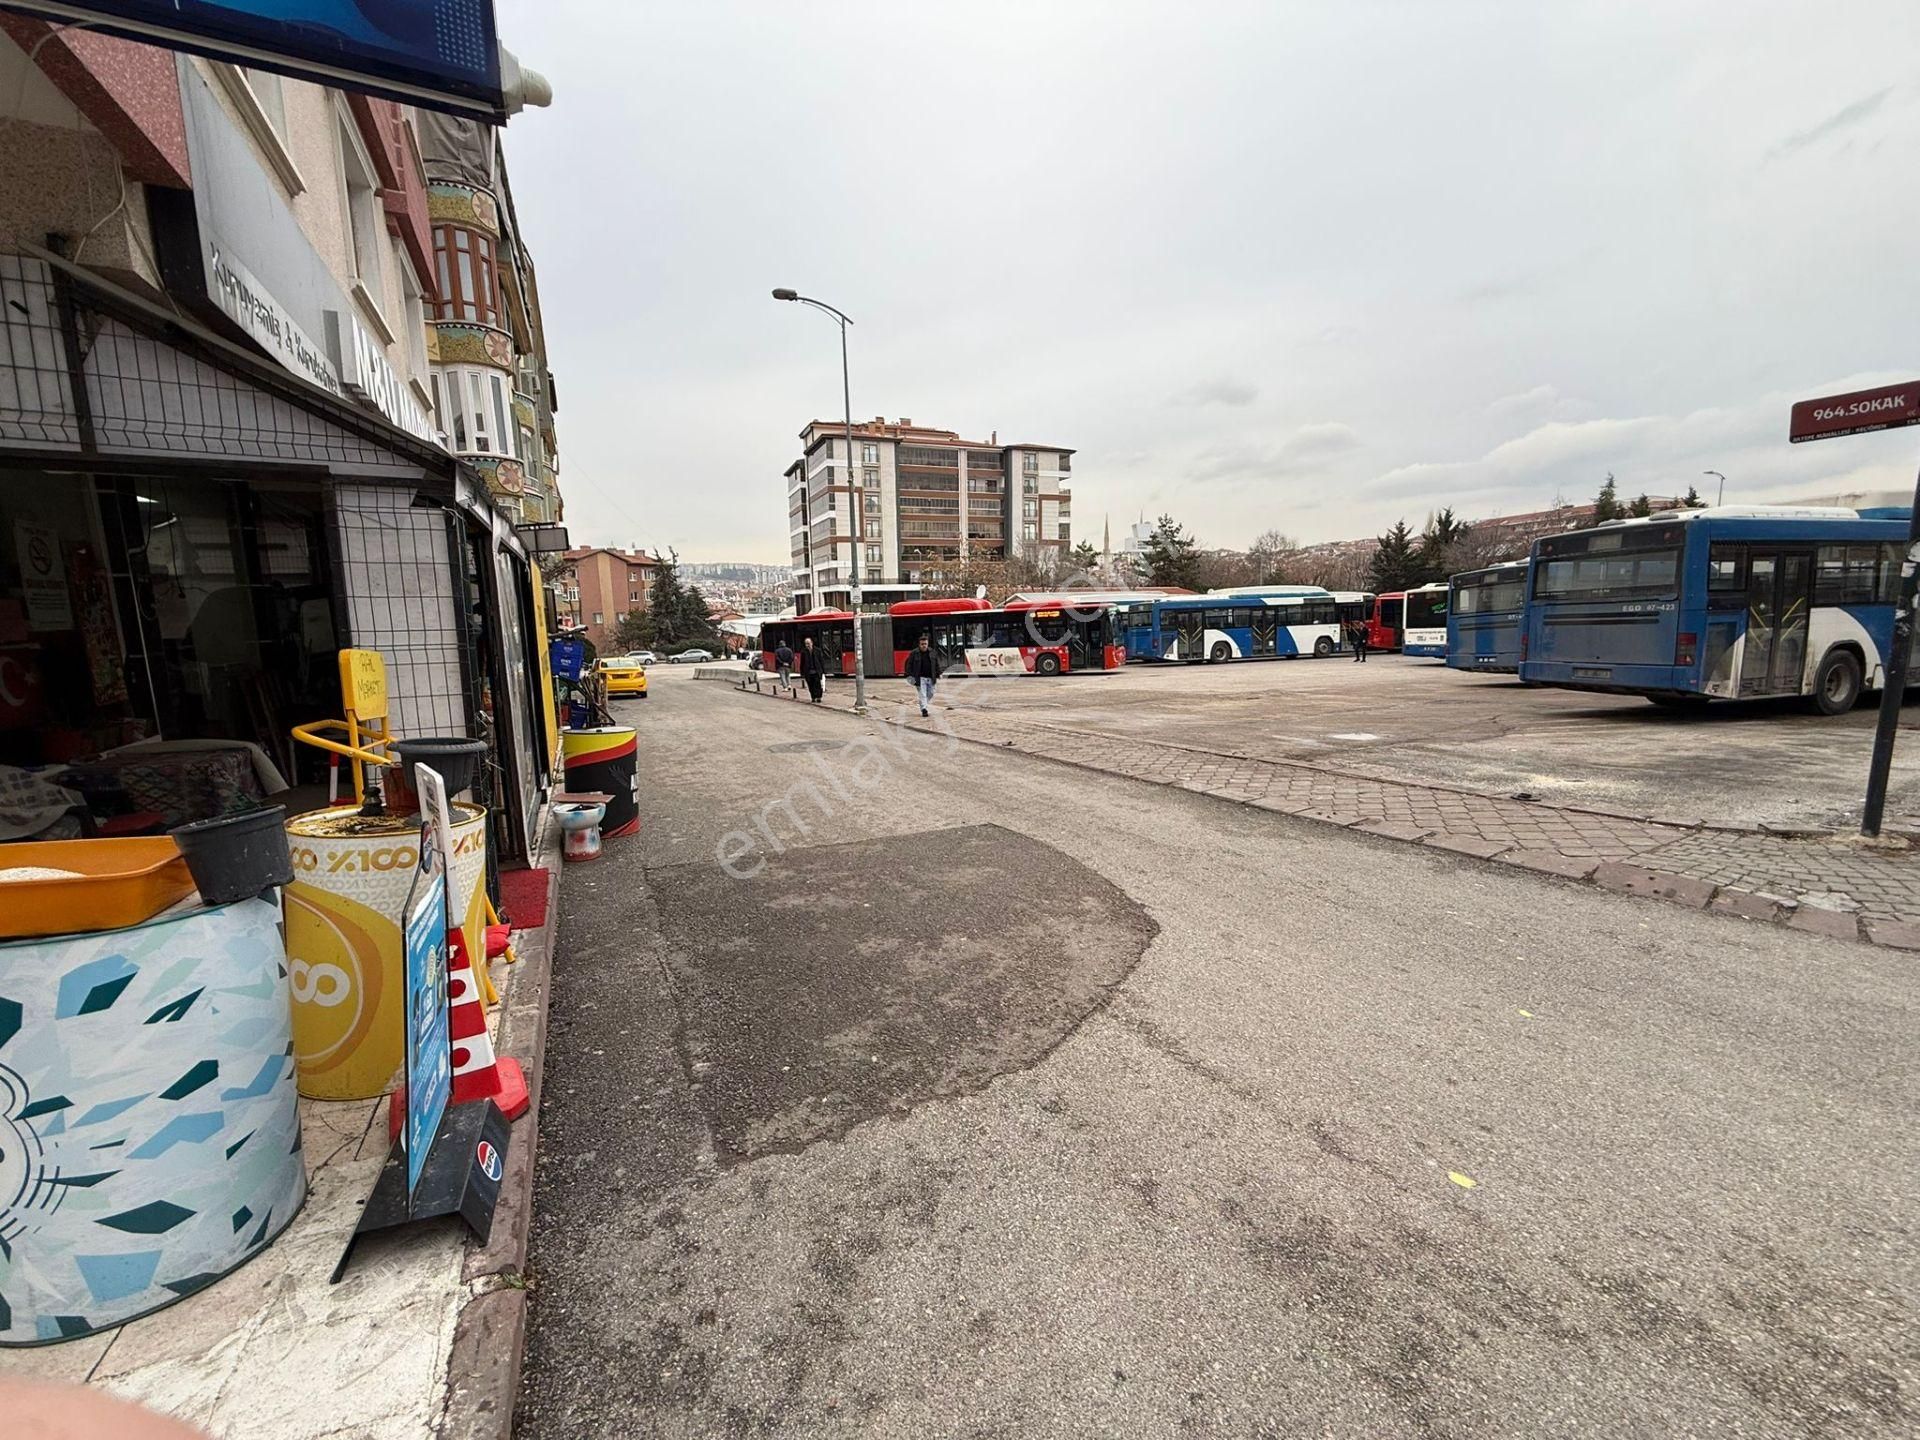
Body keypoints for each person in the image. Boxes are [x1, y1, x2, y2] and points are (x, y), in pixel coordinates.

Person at [904, 633, 939, 716]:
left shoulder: (932, 652)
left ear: (928, 644)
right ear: (919, 644)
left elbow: (937, 664)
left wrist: (939, 673)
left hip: (931, 677)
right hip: (920, 678)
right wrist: (910, 675)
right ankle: (924, 710)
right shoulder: (914, 653)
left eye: (925, 644)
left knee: (931, 693)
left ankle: (923, 704)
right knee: (922, 694)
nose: (924, 646)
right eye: (922, 644)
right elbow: (909, 665)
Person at [799, 635, 826, 704]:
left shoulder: (818, 650)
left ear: (812, 643)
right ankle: (813, 697)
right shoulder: (803, 652)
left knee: (818, 685)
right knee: (811, 685)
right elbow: (802, 663)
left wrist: (823, 671)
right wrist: (802, 672)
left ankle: (819, 697)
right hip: (808, 672)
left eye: (808, 643)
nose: (807, 645)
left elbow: (821, 661)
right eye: (806, 643)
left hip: (816, 671)